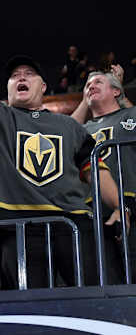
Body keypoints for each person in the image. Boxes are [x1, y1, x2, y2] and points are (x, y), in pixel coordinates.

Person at [0, 4, 124, 288]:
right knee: (31, 306)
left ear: (44, 87)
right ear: (8, 88)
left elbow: (96, 171)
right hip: (17, 228)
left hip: (72, 224)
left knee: (95, 296)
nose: (21, 77)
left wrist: (119, 206)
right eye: (15, 75)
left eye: (28, 74)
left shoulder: (70, 126)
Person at [72, 70, 136, 281]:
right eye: (87, 85)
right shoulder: (82, 130)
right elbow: (62, 135)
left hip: (131, 200)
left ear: (116, 91)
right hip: (92, 209)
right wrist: (84, 99)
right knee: (106, 277)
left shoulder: (130, 116)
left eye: (98, 82)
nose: (90, 86)